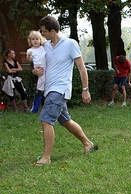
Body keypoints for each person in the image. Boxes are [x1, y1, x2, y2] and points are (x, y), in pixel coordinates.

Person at [32, 16, 98, 166]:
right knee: (66, 121)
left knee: (46, 120)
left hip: (60, 89)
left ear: (53, 31)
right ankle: (87, 144)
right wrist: (35, 71)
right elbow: (40, 65)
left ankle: (46, 157)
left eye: (44, 32)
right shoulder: (46, 46)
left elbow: (82, 68)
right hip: (49, 89)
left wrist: (85, 89)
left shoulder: (70, 44)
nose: (42, 35)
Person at [26, 30, 46, 113]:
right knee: (40, 85)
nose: (35, 41)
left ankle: (41, 95)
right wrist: (29, 56)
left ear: (40, 40)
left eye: (37, 39)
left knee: (45, 83)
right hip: (39, 68)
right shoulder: (30, 50)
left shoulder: (43, 48)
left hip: (46, 66)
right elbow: (28, 60)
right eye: (33, 39)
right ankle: (35, 106)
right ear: (30, 41)